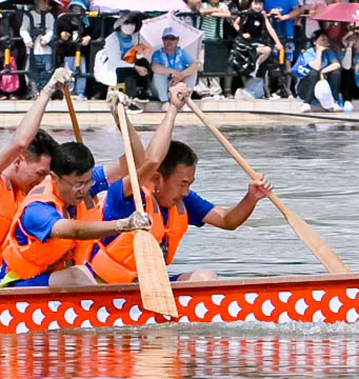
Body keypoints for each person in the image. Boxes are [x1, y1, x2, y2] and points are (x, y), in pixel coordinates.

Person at [88, 85, 272, 284]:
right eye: (182, 183)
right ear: (157, 178)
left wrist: (252, 197)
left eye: (189, 184)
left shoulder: (183, 202)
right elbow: (151, 161)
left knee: (205, 278)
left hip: (150, 285)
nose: (185, 192)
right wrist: (173, 109)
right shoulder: (127, 195)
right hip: (103, 284)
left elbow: (228, 221)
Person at [0, 142, 151, 288]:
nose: (83, 190)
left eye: (87, 182)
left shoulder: (85, 184)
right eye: (78, 184)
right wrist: (124, 224)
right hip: (18, 283)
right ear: (54, 178)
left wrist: (121, 120)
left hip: (54, 278)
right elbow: (74, 230)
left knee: (93, 274)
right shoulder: (38, 209)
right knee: (77, 275)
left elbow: (136, 160)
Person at [0, 69, 68, 243]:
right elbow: (20, 142)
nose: (42, 181)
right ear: (19, 158)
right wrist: (48, 91)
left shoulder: (29, 196)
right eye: (40, 174)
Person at [94, 11, 150, 113]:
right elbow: (115, 61)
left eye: (132, 23)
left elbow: (135, 55)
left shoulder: (134, 37)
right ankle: (128, 102)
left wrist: (140, 53)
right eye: (127, 23)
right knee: (127, 71)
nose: (130, 26)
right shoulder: (112, 40)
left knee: (144, 63)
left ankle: (142, 92)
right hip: (115, 67)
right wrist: (135, 67)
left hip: (129, 62)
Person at [233, 0, 284, 77]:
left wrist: (278, 42)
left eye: (260, 4)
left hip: (257, 42)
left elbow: (270, 29)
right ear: (251, 4)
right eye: (256, 4)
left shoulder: (262, 15)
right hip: (244, 43)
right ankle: (250, 67)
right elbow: (235, 24)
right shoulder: (246, 13)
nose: (258, 6)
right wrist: (242, 33)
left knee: (268, 50)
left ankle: (255, 67)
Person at [296, 30, 341, 113]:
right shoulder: (308, 53)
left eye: (327, 40)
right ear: (315, 42)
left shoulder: (328, 53)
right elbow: (316, 67)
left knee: (336, 73)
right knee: (313, 73)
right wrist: (319, 52)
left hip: (322, 85)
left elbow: (337, 64)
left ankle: (334, 101)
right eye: (322, 40)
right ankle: (307, 102)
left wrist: (323, 71)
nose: (325, 42)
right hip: (306, 86)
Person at [151, 27, 199, 105]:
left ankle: (185, 99)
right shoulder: (157, 53)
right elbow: (154, 67)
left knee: (192, 73)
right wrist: (174, 72)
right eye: (166, 38)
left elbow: (195, 66)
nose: (169, 41)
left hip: (177, 85)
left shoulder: (182, 53)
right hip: (162, 88)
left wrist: (182, 75)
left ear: (177, 40)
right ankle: (164, 101)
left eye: (172, 38)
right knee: (158, 75)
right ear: (163, 40)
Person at [195, 0, 232, 100]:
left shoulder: (223, 5)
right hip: (203, 39)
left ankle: (215, 91)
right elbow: (201, 11)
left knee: (215, 65)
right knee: (201, 64)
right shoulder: (204, 5)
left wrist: (210, 12)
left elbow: (228, 14)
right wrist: (215, 10)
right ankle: (203, 91)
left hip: (216, 39)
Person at [55, 0, 92, 100]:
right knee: (68, 72)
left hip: (81, 52)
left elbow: (90, 33)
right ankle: (69, 92)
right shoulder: (65, 20)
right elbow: (59, 32)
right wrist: (62, 35)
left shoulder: (85, 22)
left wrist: (88, 37)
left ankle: (80, 92)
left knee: (81, 72)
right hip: (68, 52)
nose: (77, 11)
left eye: (79, 8)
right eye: (75, 8)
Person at [20, 0, 55, 98]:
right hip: (32, 50)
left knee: (47, 71)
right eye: (43, 2)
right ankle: (33, 91)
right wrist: (27, 39)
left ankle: (45, 92)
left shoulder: (49, 16)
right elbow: (23, 29)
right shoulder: (28, 15)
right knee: (31, 71)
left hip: (46, 50)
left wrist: (47, 38)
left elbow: (51, 29)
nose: (45, 4)